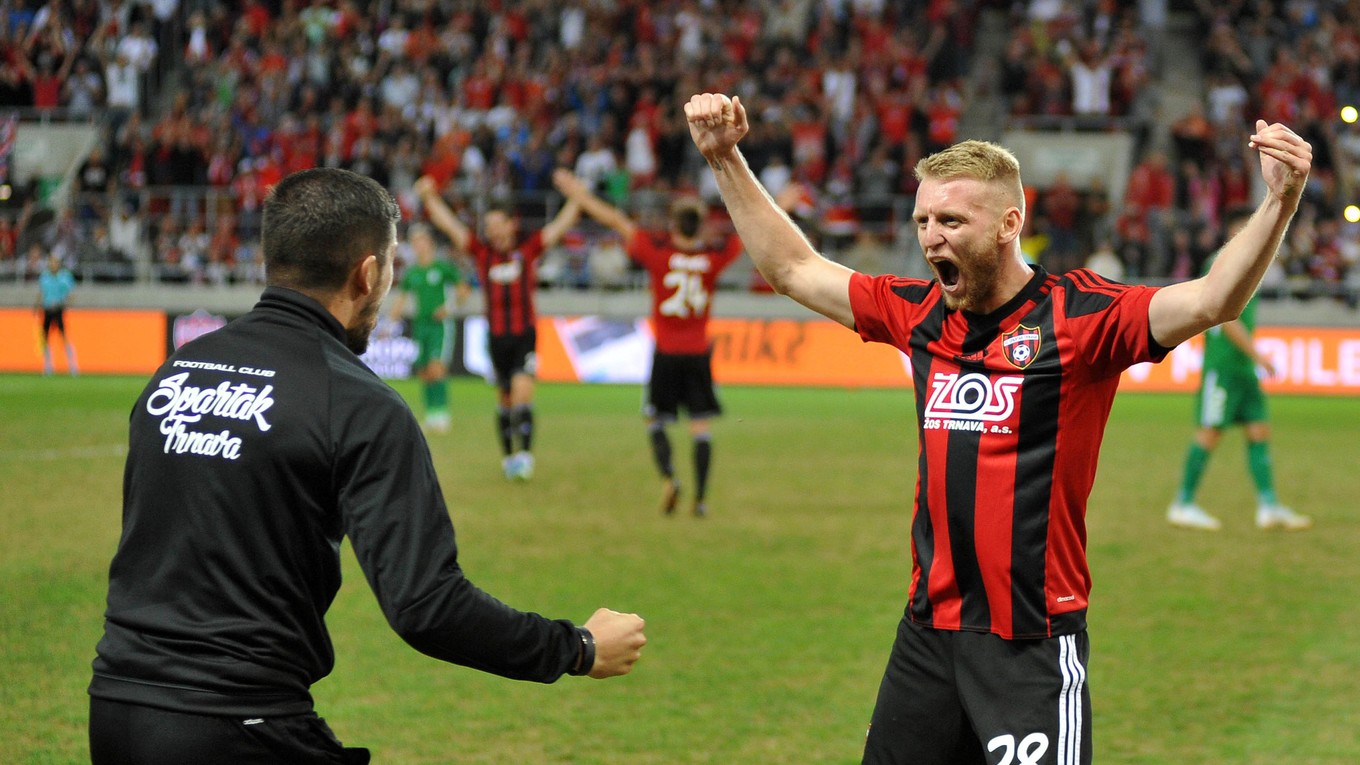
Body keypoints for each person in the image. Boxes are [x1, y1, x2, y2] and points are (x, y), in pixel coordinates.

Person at [684, 92, 1310, 763]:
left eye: (951, 219)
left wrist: (1280, 200)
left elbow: (1215, 297)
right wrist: (723, 158)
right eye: (923, 219)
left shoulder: (1081, 317)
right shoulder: (919, 312)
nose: (931, 236)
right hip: (927, 637)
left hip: (1032, 644)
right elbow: (793, 269)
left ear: (1010, 222)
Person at [88, 168, 646, 765]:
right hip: (241, 725)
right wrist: (578, 647)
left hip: (115, 710)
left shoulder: (178, 370)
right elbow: (427, 605)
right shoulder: (358, 403)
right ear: (369, 272)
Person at [554, 169, 743, 517]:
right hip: (698, 353)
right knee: (700, 426)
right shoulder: (713, 259)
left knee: (656, 421)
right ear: (700, 227)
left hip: (666, 353)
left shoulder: (659, 254)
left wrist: (580, 195)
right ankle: (700, 501)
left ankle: (670, 478)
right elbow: (747, 234)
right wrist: (781, 204)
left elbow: (615, 219)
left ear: (673, 225)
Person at [414, 174, 581, 481]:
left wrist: (576, 198)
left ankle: (525, 457)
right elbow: (451, 226)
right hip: (496, 338)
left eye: (495, 224)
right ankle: (508, 458)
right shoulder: (482, 253)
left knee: (522, 392)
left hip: (524, 335)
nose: (490, 229)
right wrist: (429, 198)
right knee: (504, 400)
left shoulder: (527, 250)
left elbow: (559, 228)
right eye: (487, 225)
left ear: (510, 224)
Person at [1167, 208, 1312, 532]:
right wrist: (1258, 355)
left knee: (1259, 430)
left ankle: (1269, 506)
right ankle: (1183, 504)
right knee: (1210, 432)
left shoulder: (1250, 259)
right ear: (1237, 227)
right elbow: (1222, 316)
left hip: (1242, 368)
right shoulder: (1224, 261)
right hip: (1223, 365)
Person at [385, 222, 471, 434]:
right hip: (421, 324)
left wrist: (448, 308)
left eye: (421, 241)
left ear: (430, 243)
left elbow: (464, 290)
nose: (418, 245)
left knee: (436, 368)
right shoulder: (413, 272)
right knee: (424, 371)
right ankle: (432, 415)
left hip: (439, 325)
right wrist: (389, 324)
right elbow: (401, 300)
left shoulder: (442, 267)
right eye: (415, 242)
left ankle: (442, 414)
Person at [36, 251, 78, 376]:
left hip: (58, 309)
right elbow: (41, 293)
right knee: (45, 338)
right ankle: (48, 365)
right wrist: (37, 306)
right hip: (47, 309)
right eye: (51, 262)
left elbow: (71, 294)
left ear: (59, 264)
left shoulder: (65, 277)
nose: (53, 264)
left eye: (55, 262)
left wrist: (65, 304)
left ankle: (72, 365)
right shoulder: (45, 276)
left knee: (64, 337)